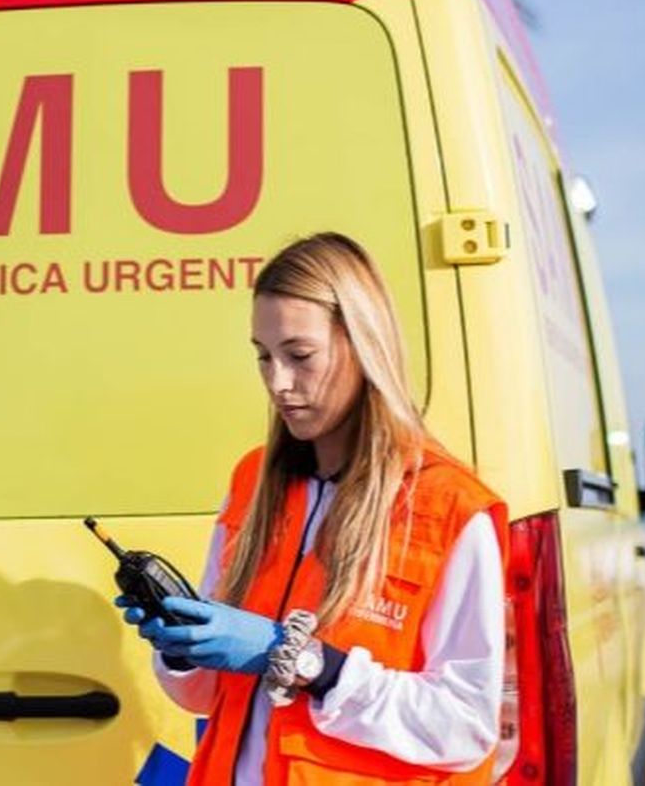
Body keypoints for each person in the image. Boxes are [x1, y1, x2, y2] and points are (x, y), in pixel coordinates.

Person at [117, 233, 509, 785]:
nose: (278, 382)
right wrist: (183, 648)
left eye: (299, 356)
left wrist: (308, 663)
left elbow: (463, 725)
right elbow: (205, 697)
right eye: (263, 356)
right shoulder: (252, 483)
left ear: (362, 344)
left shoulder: (449, 509)